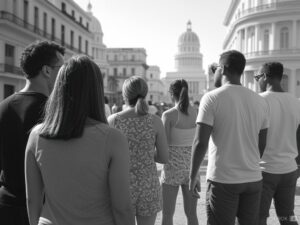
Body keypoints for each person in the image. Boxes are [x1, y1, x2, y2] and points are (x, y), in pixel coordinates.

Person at [25, 55, 134, 225]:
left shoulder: (36, 136)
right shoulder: (113, 139)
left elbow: (32, 200)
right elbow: (122, 208)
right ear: (97, 90)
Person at [189, 50, 269, 225]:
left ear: (223, 68)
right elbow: (262, 143)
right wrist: (249, 162)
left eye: (216, 68)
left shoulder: (211, 98)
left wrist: (193, 175)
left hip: (223, 180)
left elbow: (200, 142)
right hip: (253, 179)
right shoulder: (260, 101)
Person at [0, 41, 65, 225]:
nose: (65, 74)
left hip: (6, 204)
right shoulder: (55, 112)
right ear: (47, 70)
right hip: (42, 211)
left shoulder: (3, 107)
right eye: (62, 67)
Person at [108, 76, 168, 225]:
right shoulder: (155, 121)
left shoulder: (113, 120)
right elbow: (164, 157)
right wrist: (145, 153)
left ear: (124, 95)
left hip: (121, 186)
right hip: (148, 186)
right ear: (145, 94)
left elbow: (105, 158)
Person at [255, 62, 300, 225]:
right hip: (289, 170)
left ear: (266, 77)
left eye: (257, 77)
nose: (256, 81)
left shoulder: (259, 101)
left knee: (259, 217)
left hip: (263, 170)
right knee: (287, 216)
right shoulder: (296, 102)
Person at [160, 79, 199, 225]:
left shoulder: (169, 115)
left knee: (168, 215)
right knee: (192, 215)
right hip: (191, 168)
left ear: (171, 94)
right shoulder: (196, 112)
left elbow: (164, 145)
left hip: (172, 169)